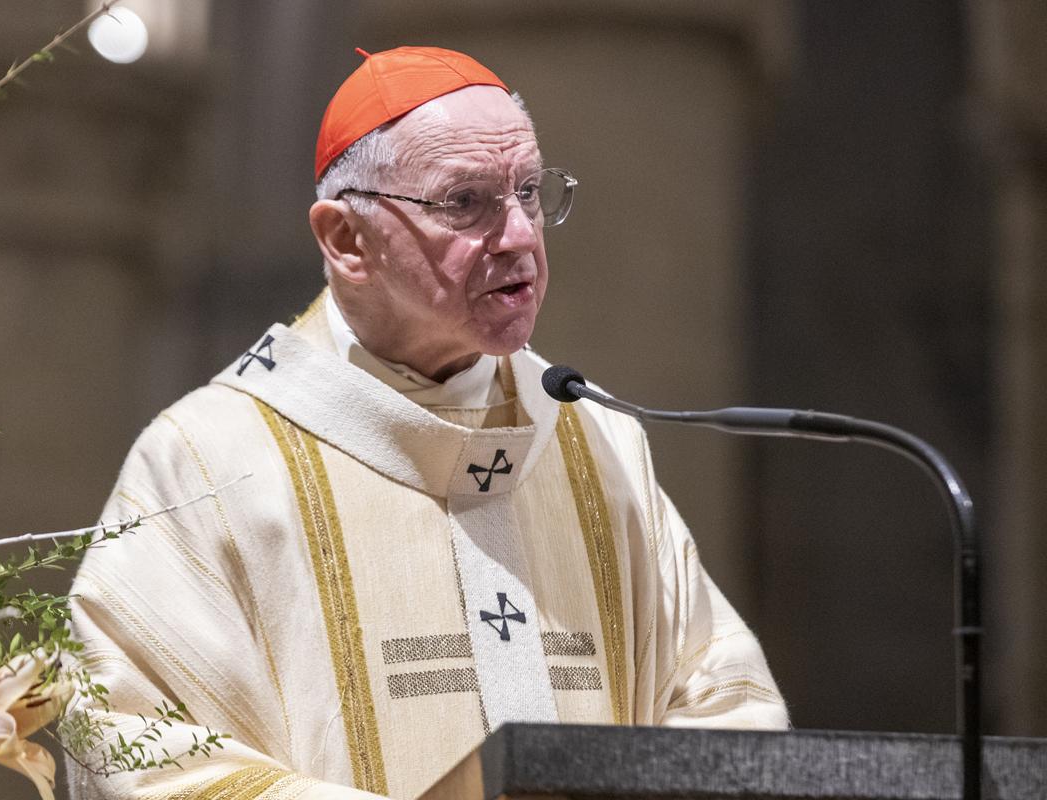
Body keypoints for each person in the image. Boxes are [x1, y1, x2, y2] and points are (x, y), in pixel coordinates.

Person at [66, 46, 787, 800]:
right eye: (466, 202)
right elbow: (143, 756)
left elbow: (728, 709)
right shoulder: (208, 462)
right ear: (347, 241)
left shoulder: (593, 440)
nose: (518, 237)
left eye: (530, 193)